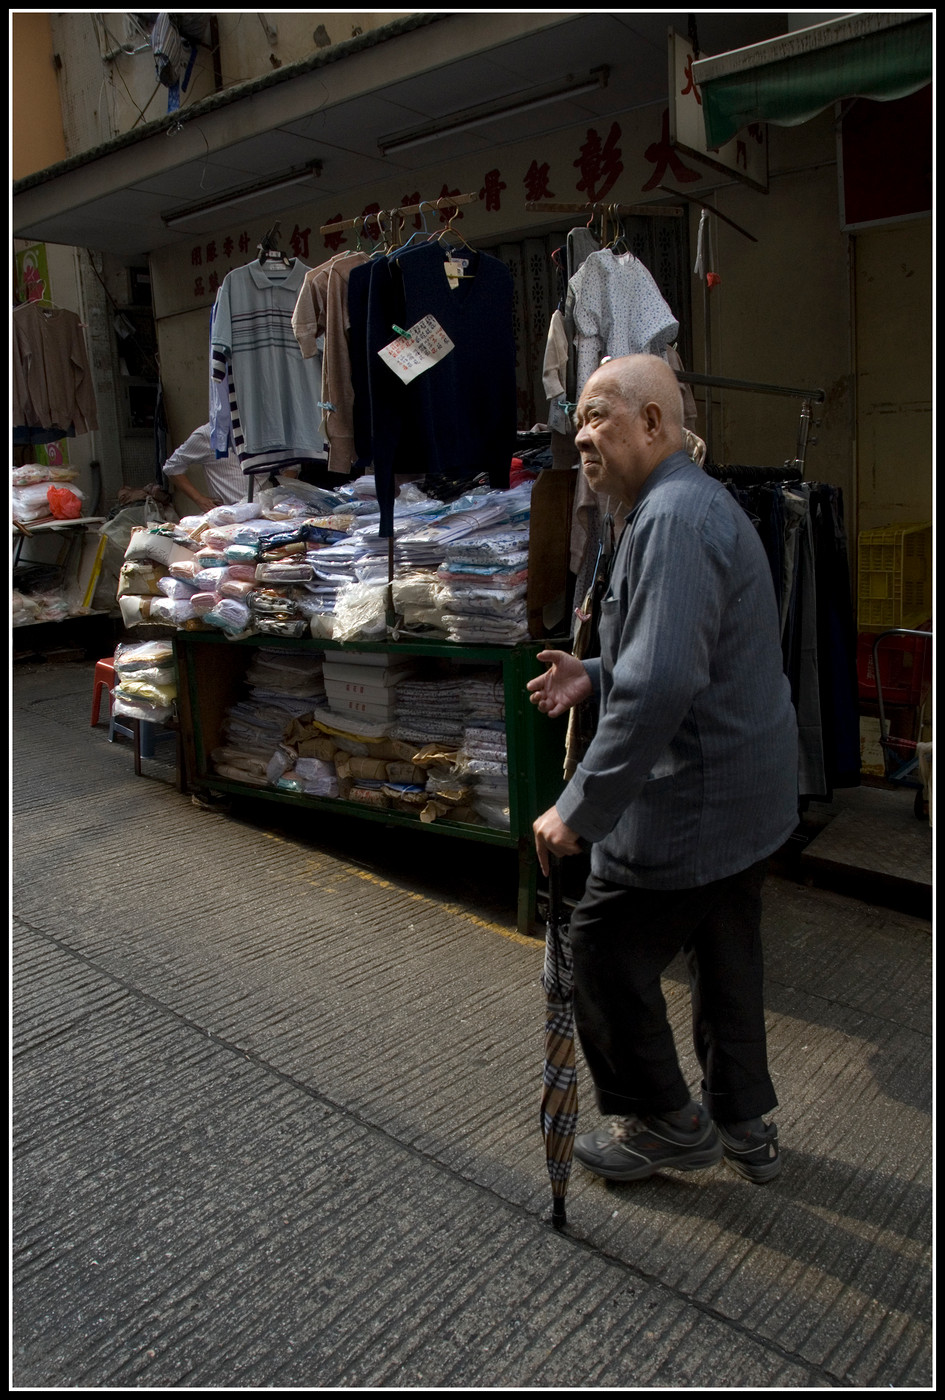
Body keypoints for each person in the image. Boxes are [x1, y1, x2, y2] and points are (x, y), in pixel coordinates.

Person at [527, 354, 798, 1186]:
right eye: (576, 418)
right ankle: (741, 1121)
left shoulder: (672, 519)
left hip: (700, 797)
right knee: (724, 950)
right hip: (745, 795)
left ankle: (662, 1124)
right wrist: (594, 674)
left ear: (653, 423)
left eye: (598, 415)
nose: (580, 434)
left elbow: (665, 683)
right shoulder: (673, 507)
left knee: (604, 948)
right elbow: (673, 655)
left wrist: (579, 807)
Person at [161, 421, 248, 512]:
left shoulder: (261, 429)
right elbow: (172, 467)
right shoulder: (208, 434)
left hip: (262, 510)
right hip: (230, 513)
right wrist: (199, 499)